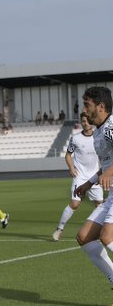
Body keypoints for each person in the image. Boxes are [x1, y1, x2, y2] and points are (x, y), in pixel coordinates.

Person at [73, 87, 113, 292]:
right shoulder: (98, 132)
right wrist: (89, 183)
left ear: (101, 106)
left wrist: (109, 173)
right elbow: (105, 166)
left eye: (87, 104)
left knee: (107, 237)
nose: (84, 109)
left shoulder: (112, 126)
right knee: (84, 237)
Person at [52, 113, 103, 241]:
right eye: (83, 121)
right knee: (75, 204)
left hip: (95, 177)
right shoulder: (75, 138)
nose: (85, 123)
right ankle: (59, 229)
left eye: (86, 121)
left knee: (99, 205)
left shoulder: (99, 137)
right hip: (80, 177)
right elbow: (68, 155)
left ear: (91, 121)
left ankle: (99, 231)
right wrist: (71, 168)